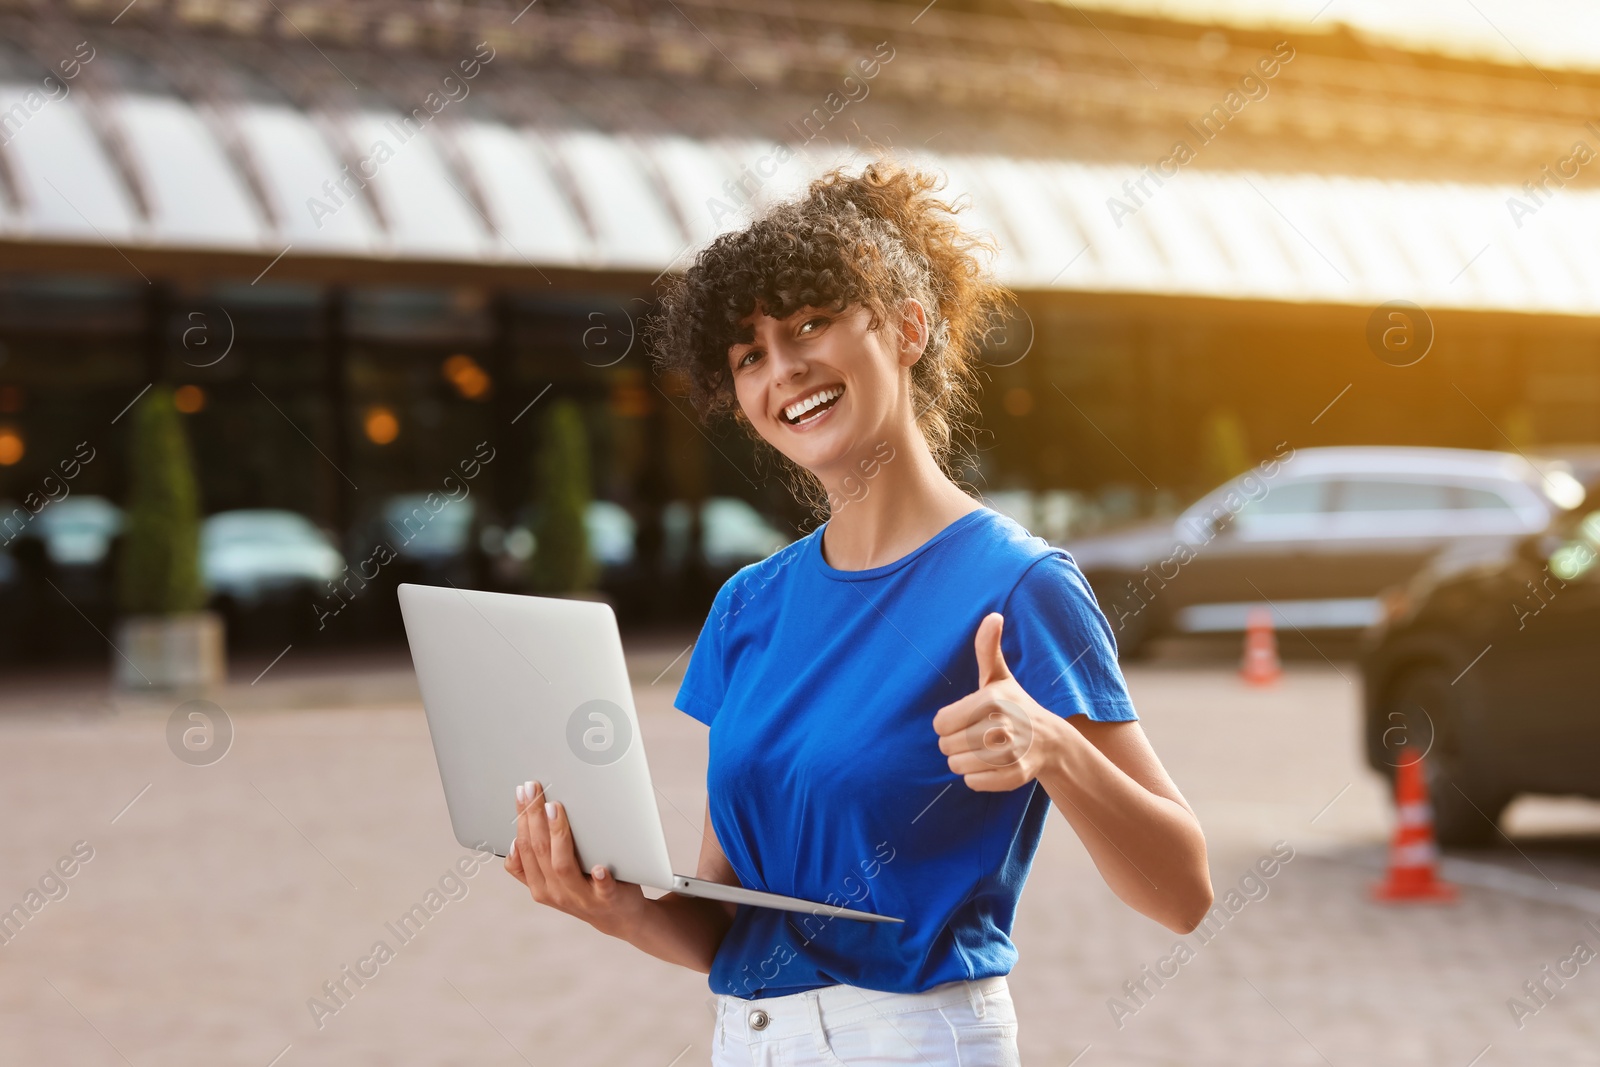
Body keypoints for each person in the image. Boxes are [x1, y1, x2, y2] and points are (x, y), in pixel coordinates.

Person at [504, 159, 1213, 1065]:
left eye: (810, 324)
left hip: (911, 1039)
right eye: (749, 354)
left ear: (908, 327)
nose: (784, 368)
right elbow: (727, 928)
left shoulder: (1019, 583)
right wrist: (611, 904)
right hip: (749, 1042)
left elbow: (1182, 889)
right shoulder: (748, 607)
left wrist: (1053, 746)